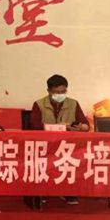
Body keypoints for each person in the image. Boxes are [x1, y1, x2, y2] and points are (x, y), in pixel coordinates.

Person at [29, 74, 89, 206]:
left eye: (63, 91)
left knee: (75, 157)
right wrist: (60, 126)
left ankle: (68, 191)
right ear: (49, 91)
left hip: (68, 145)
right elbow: (35, 125)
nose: (60, 95)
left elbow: (85, 125)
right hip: (46, 144)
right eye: (56, 92)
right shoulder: (39, 104)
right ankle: (43, 191)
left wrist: (81, 127)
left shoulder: (73, 103)